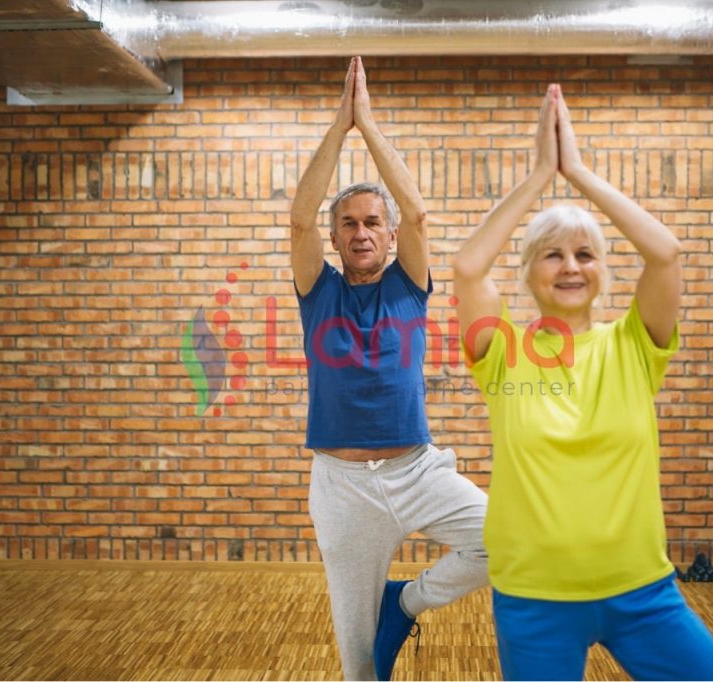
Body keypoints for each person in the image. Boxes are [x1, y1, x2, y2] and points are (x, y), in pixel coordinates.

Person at [452, 83, 713, 681]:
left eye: (586, 255)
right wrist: (539, 176)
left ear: (604, 272)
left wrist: (577, 172)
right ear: (529, 273)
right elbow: (466, 266)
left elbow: (666, 254)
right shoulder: (503, 350)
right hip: (534, 596)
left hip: (641, 591)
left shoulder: (634, 346)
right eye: (552, 255)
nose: (571, 267)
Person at [289, 56, 489, 681]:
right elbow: (299, 217)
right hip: (342, 488)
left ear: (390, 232)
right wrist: (338, 124)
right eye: (348, 224)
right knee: (357, 661)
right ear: (336, 237)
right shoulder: (317, 290)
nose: (361, 231)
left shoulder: (409, 284)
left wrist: (368, 125)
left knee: (508, 543)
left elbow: (420, 214)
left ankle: (404, 601)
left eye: (373, 221)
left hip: (417, 469)